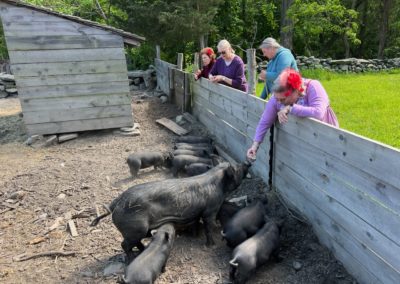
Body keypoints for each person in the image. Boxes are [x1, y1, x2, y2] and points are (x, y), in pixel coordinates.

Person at [247, 68, 339, 160]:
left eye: (282, 100)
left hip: (326, 138)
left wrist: (290, 108)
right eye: (277, 99)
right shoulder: (277, 98)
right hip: (303, 145)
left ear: (295, 91)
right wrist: (255, 146)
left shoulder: (313, 86)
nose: (279, 102)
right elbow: (265, 121)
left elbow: (318, 113)